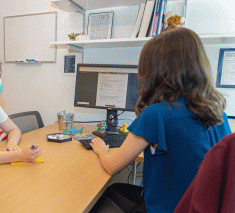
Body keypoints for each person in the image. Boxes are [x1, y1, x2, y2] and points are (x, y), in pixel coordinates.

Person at [89, 27, 231, 213]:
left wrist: (101, 150)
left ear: (156, 72)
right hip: (200, 206)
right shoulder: (218, 113)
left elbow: (112, 166)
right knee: (114, 190)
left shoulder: (157, 114)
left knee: (94, 203)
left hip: (170, 208)